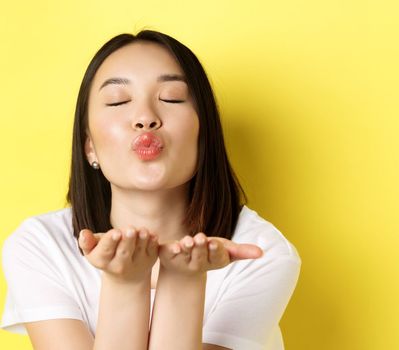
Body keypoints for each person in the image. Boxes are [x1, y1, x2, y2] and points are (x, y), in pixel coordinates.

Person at [0, 30, 302, 350]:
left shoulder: (260, 252)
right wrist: (127, 284)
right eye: (118, 101)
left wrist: (183, 280)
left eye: (171, 98)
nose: (145, 118)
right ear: (89, 147)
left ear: (204, 136)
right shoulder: (41, 245)